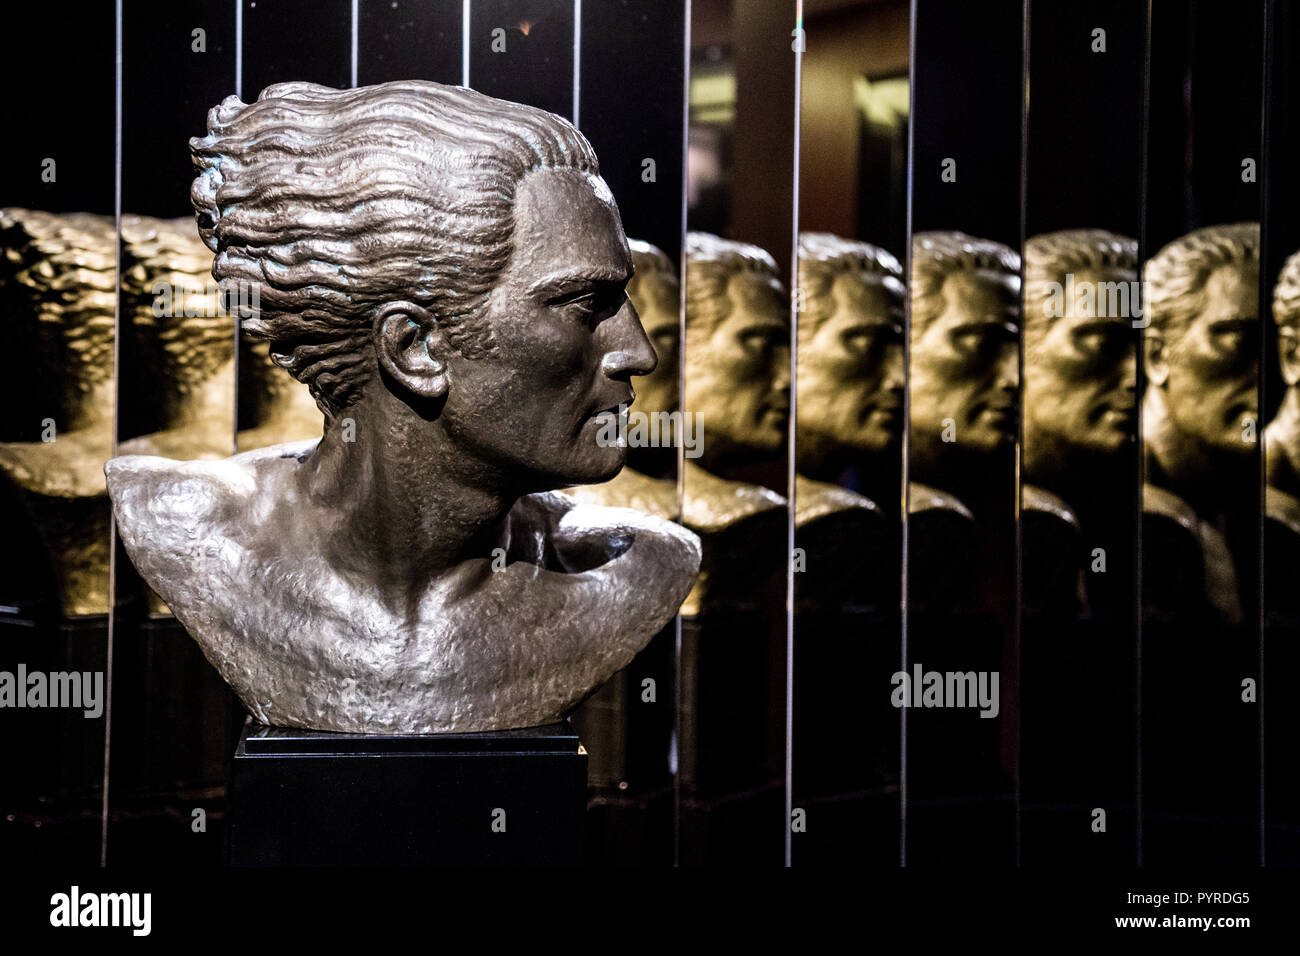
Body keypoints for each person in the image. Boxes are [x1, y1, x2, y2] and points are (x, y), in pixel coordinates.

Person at [105, 79, 700, 734]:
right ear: (414, 348)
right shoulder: (181, 523)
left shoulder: (634, 568)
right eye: (586, 305)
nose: (638, 352)